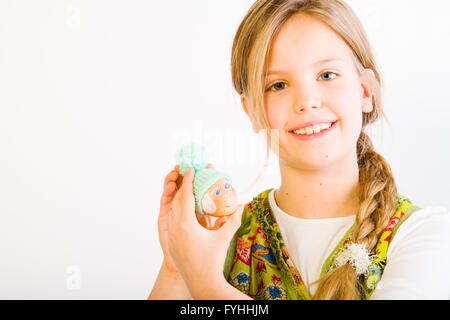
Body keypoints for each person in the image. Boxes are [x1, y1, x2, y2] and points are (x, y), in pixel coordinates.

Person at [148, 0, 450, 300]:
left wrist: (205, 284)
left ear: (365, 91)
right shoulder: (217, 241)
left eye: (327, 75)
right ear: (251, 111)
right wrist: (176, 269)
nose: (306, 100)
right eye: (278, 85)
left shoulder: (424, 235)